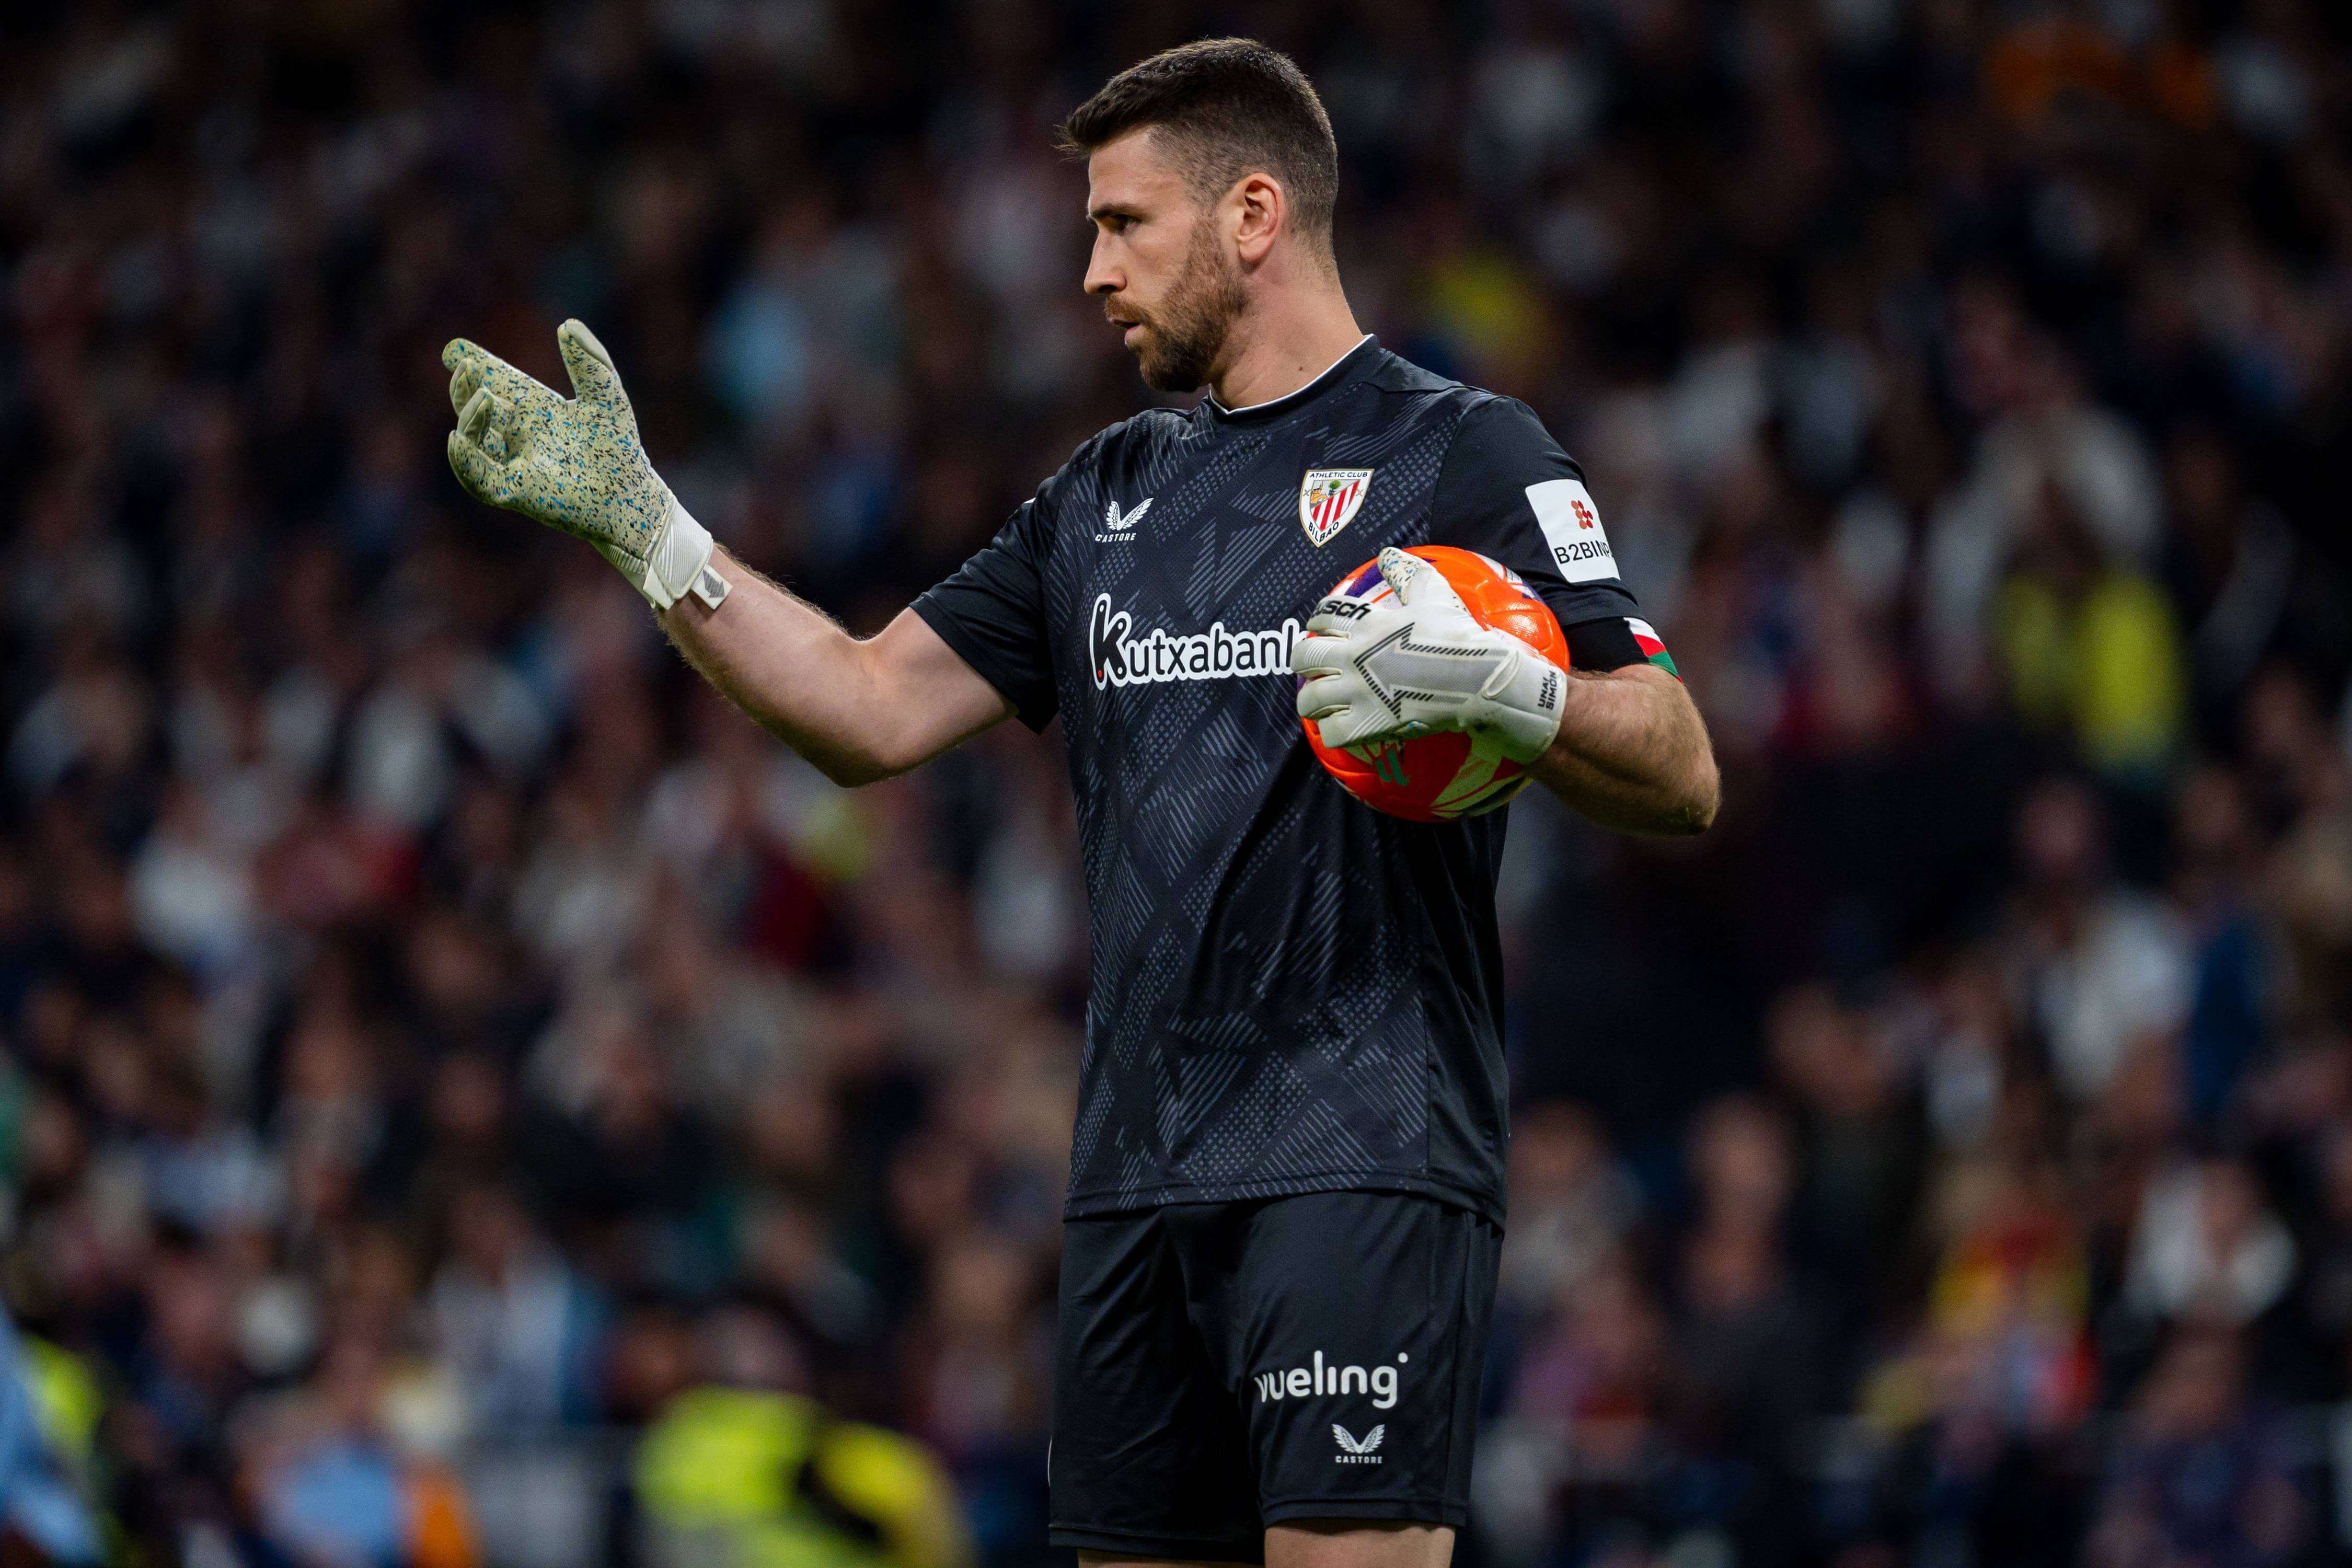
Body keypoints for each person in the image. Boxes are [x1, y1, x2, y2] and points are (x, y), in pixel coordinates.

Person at [440, 37, 1717, 1568]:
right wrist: (650, 533)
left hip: (1362, 1154)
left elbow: (1680, 763)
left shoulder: (1459, 452)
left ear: (1253, 216)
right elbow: (867, 705)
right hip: (1132, 1185)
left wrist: (1516, 690)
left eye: (1124, 225)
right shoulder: (1101, 495)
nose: (1093, 273)